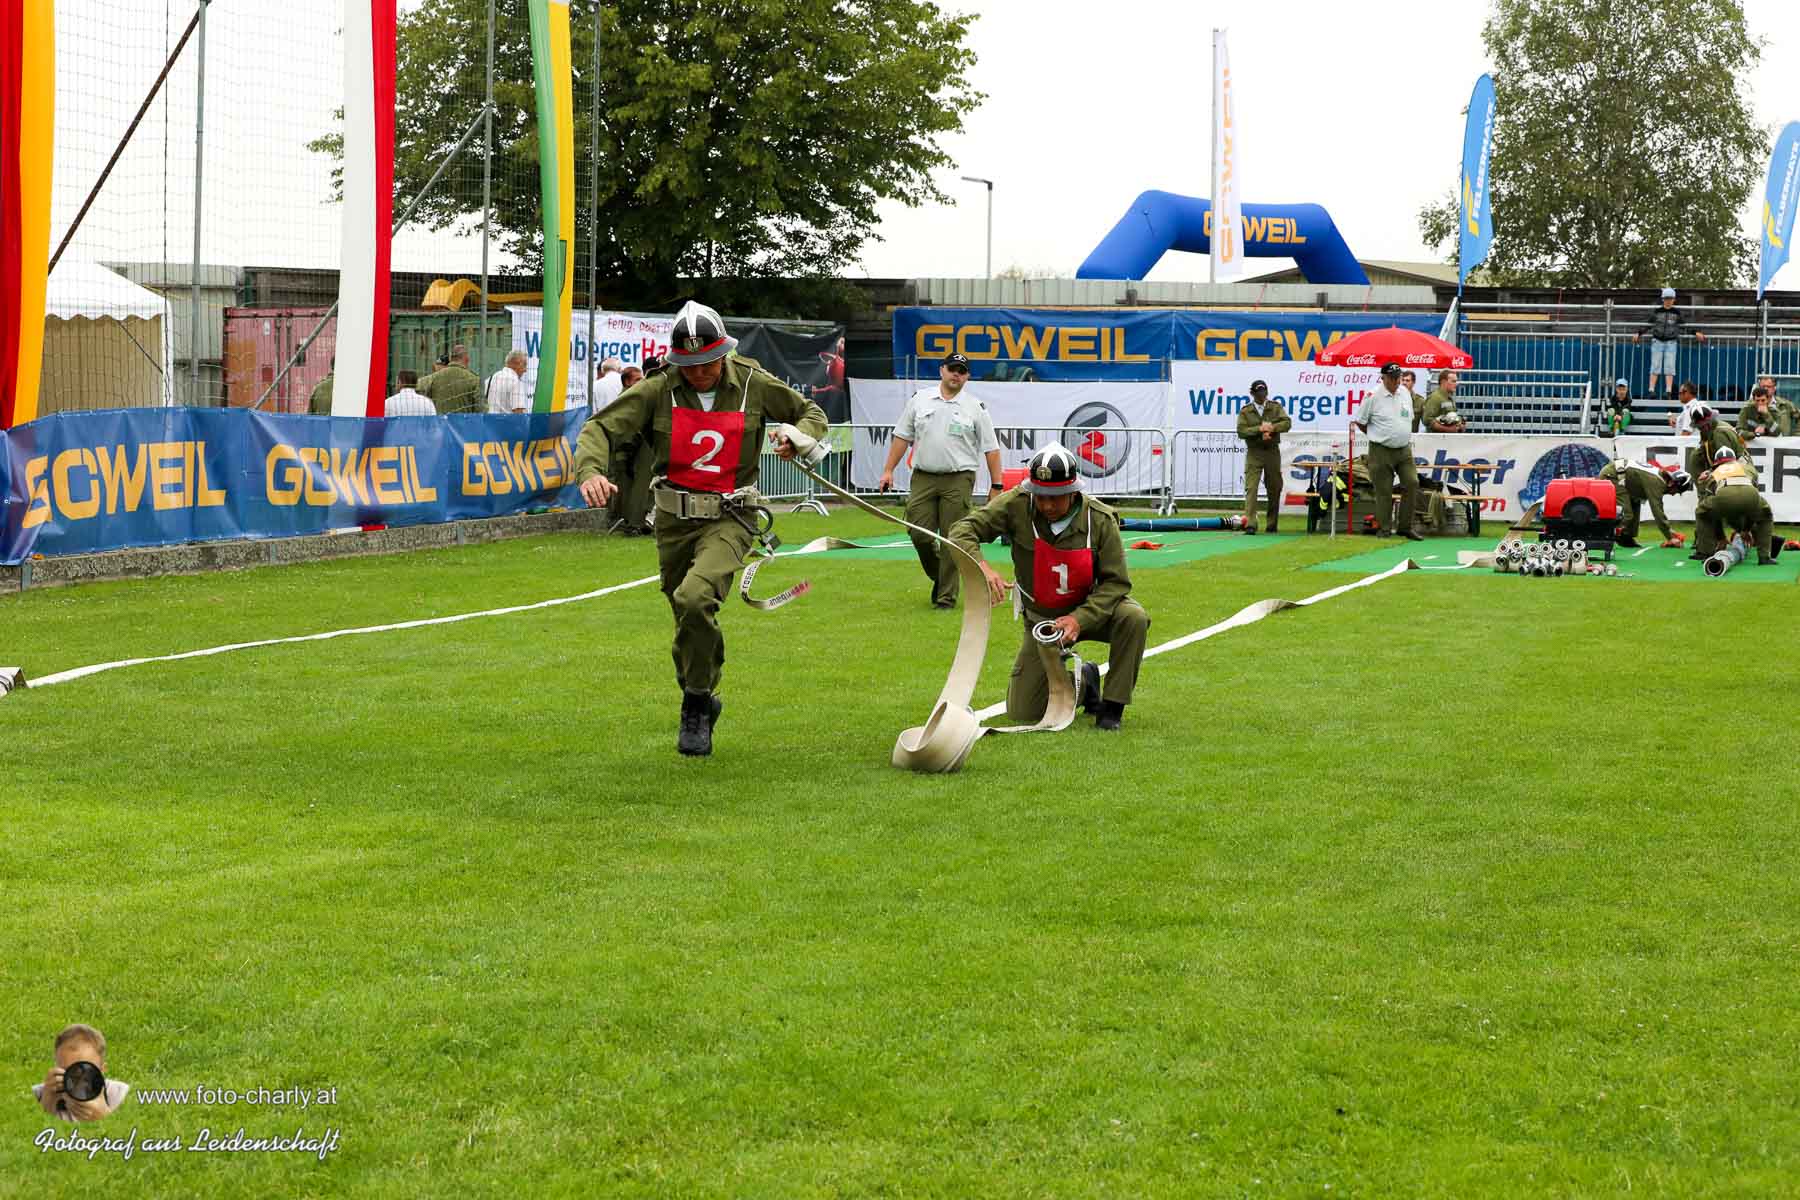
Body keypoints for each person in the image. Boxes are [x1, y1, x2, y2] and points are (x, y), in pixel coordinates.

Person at [572, 301, 827, 756]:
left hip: (731, 516)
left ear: (724, 352)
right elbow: (600, 428)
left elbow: (811, 413)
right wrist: (590, 471)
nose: (699, 372)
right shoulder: (657, 388)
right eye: (689, 364)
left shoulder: (752, 382)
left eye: (708, 361)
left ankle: (694, 705)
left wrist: (795, 436)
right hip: (673, 521)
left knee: (694, 598)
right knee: (686, 615)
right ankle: (702, 691)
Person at [949, 443, 1150, 732]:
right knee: (1023, 711)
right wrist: (981, 567)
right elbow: (961, 531)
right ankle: (1086, 683)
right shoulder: (1016, 504)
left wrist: (1079, 619)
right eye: (1040, 496)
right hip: (1042, 622)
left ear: (1074, 491)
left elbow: (1116, 583)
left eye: (1056, 497)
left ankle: (1112, 707)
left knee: (1133, 617)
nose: (1047, 505)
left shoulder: (1100, 519)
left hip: (1091, 612)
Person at [878, 351, 1003, 607]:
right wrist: (888, 470)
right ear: (941, 370)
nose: (956, 374)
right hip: (923, 477)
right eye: (952, 369)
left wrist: (997, 485)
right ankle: (942, 577)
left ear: (967, 377)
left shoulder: (976, 407)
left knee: (952, 538)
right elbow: (902, 436)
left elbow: (991, 449)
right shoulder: (920, 399)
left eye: (962, 371)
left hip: (958, 479)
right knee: (919, 534)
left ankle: (946, 598)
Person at [1354, 362, 1423, 540]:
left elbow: (1409, 418)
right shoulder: (1372, 396)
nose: (1395, 381)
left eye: (1397, 378)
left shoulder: (1405, 393)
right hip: (1380, 449)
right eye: (1392, 378)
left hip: (1404, 449)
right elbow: (1360, 421)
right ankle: (1384, 529)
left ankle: (1405, 527)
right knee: (1383, 490)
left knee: (1412, 482)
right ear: (1383, 378)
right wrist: (1377, 435)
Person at [1694, 446, 1777, 565]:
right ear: (1734, 459)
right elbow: (1751, 508)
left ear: (1716, 463)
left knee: (1702, 513)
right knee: (1766, 516)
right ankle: (1764, 557)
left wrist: (1721, 537)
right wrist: (1746, 530)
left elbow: (1712, 512)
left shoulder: (1712, 473)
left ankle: (1706, 553)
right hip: (1750, 493)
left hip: (1724, 494)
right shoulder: (1748, 467)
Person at [33, 1024, 129, 1122]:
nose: (78, 1081)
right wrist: (46, 1105)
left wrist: (103, 1115)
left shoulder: (119, 1094)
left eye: (86, 1071)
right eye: (67, 1071)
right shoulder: (41, 1093)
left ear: (101, 1071)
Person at [1236, 379, 1291, 533]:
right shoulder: (1246, 411)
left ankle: (1272, 524)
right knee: (1251, 488)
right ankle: (1251, 523)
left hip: (1272, 451)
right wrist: (1259, 429)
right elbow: (1241, 431)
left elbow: (1287, 423)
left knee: (1274, 487)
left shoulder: (1275, 407)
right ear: (1252, 393)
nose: (1262, 395)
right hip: (1254, 452)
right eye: (1258, 392)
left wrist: (1272, 428)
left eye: (1264, 391)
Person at [1599, 458, 1690, 548]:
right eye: (1676, 491)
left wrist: (1670, 532)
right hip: (1612, 476)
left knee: (1635, 504)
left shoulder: (1657, 477)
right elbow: (1657, 511)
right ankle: (1603, 535)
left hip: (1620, 475)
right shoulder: (1657, 482)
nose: (1673, 494)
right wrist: (1670, 536)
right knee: (1626, 514)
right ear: (1672, 483)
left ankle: (1626, 537)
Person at [1637, 287, 1705, 404]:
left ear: (1674, 300)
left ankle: (1668, 391)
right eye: (1666, 298)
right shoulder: (1657, 312)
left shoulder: (1676, 313)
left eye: (1670, 298)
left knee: (1670, 366)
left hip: (1671, 342)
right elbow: (1648, 324)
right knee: (1655, 365)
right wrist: (1639, 333)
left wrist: (1695, 332)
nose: (1668, 301)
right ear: (1663, 299)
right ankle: (1651, 390)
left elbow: (1684, 326)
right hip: (1657, 341)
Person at [418, 344, 482, 414]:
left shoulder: (434, 377)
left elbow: (415, 387)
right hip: (464, 420)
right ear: (467, 359)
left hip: (441, 420)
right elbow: (481, 409)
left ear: (451, 359)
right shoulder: (473, 379)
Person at [487, 350, 529, 415]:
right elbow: (518, 413)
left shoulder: (492, 377)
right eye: (524, 365)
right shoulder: (516, 382)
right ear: (516, 364)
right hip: (507, 421)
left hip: (490, 420)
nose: (525, 370)